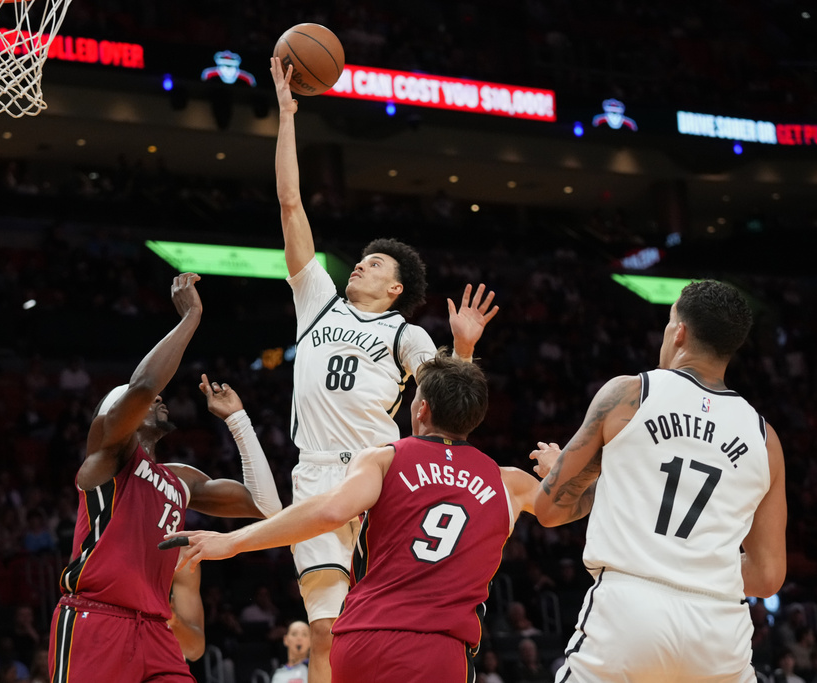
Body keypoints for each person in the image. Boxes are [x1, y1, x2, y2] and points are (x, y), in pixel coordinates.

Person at [270, 56, 499, 683]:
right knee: (325, 629)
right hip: (318, 472)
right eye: (362, 261)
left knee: (391, 619)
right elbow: (291, 204)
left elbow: (449, 398)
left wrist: (464, 346)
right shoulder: (317, 302)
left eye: (375, 265)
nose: (361, 267)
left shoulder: (406, 333)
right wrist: (288, 116)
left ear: (397, 288)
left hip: (388, 477)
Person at [166, 351, 553, 683]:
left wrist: (233, 541)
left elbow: (329, 511)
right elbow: (570, 508)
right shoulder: (509, 481)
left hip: (364, 638)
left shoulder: (386, 457)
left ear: (421, 409)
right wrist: (558, 471)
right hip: (439, 647)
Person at [533, 279, 788, 682]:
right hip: (719, 628)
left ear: (679, 331)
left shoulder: (629, 393)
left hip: (627, 612)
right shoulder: (765, 439)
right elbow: (768, 576)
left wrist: (583, 468)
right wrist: (699, 559)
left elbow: (548, 511)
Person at [48, 272, 281, 683]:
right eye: (144, 401)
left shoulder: (180, 480)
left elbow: (266, 506)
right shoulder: (108, 453)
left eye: (160, 399)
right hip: (96, 618)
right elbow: (143, 385)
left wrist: (239, 421)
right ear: (118, 413)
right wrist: (190, 316)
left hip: (156, 629)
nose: (160, 398)